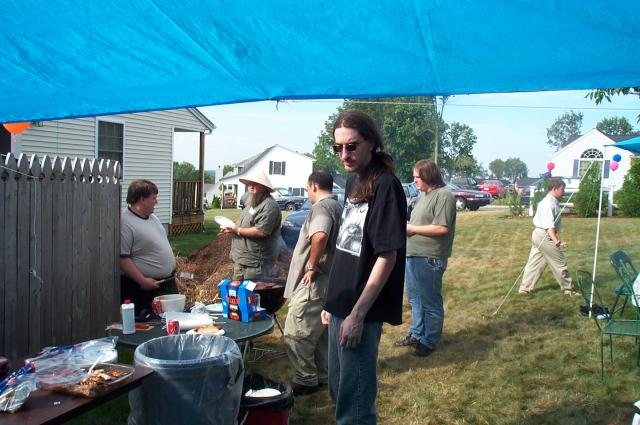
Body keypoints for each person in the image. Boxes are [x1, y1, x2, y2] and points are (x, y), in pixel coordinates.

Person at [322, 110, 406, 425]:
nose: (344, 154)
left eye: (352, 146)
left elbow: (387, 256)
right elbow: (347, 246)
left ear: (371, 143)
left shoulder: (386, 186)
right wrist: (331, 302)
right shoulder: (352, 181)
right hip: (340, 304)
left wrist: (357, 315)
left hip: (362, 311)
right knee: (338, 391)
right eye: (338, 147)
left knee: (355, 407)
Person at [283, 171, 342, 396]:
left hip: (315, 283)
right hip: (328, 280)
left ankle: (305, 378)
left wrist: (311, 265)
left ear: (314, 186)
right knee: (319, 333)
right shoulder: (336, 206)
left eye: (308, 188)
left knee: (296, 332)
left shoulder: (322, 207)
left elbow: (320, 235)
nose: (308, 192)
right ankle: (323, 375)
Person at [394, 160, 456, 357]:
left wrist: (412, 229)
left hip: (429, 258)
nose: (414, 181)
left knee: (430, 302)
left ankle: (429, 341)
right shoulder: (423, 195)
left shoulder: (444, 195)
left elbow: (442, 228)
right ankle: (417, 334)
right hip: (414, 255)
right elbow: (422, 221)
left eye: (417, 177)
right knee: (415, 299)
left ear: (429, 176)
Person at [120, 179, 178, 317]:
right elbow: (123, 258)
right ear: (142, 199)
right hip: (145, 290)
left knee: (173, 322)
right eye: (154, 198)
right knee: (152, 326)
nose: (156, 202)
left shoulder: (153, 218)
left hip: (166, 285)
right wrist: (142, 280)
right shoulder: (125, 221)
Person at [518, 178, 576, 295]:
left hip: (539, 235)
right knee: (559, 263)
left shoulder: (551, 201)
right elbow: (549, 226)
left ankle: (524, 289)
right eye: (562, 189)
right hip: (544, 236)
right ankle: (568, 289)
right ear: (554, 189)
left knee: (535, 263)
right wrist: (557, 242)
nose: (563, 192)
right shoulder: (548, 204)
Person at [221, 169, 282, 280]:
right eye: (249, 184)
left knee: (252, 290)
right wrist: (230, 226)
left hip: (255, 262)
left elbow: (261, 231)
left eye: (255, 184)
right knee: (238, 290)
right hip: (242, 259)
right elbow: (244, 223)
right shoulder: (252, 203)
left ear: (264, 187)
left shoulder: (269, 205)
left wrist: (237, 230)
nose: (251, 187)